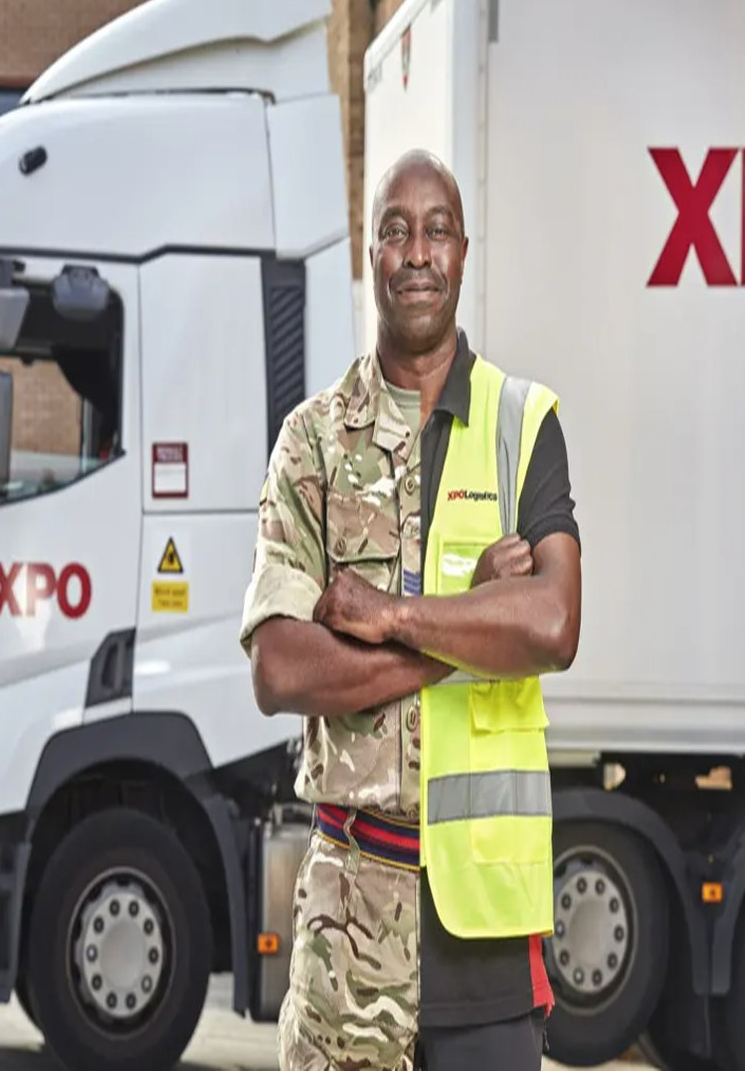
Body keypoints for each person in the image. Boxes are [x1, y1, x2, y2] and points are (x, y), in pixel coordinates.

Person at [240, 149, 581, 1070]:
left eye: (437, 231)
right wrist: (470, 623)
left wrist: (392, 615)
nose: (418, 251)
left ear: (463, 252)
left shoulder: (523, 424)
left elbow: (552, 626)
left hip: (487, 940)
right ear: (372, 257)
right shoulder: (313, 442)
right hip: (347, 930)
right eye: (396, 231)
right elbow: (280, 668)